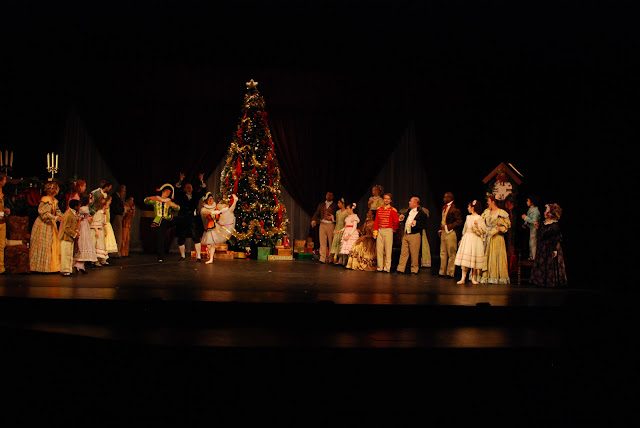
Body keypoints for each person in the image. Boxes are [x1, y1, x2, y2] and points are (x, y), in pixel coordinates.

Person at [530, 203, 567, 288]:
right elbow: (542, 234)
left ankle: (551, 282)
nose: (545, 212)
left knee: (550, 264)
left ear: (551, 213)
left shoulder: (554, 225)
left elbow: (556, 238)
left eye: (546, 211)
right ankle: (540, 281)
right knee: (542, 263)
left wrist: (555, 250)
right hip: (543, 247)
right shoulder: (544, 223)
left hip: (551, 247)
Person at [29, 181, 63, 273]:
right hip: (43, 224)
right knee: (45, 245)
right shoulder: (46, 200)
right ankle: (42, 267)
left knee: (53, 244)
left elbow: (57, 211)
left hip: (51, 224)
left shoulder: (54, 200)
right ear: (54, 190)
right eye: (57, 188)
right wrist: (55, 218)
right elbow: (44, 213)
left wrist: (64, 217)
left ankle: (54, 267)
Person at [174, 172, 207, 261]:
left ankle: (198, 256)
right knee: (181, 237)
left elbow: (203, 191)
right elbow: (176, 190)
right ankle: (182, 256)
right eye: (187, 187)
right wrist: (180, 180)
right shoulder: (181, 195)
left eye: (190, 187)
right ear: (184, 189)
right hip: (183, 218)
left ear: (192, 189)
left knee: (196, 236)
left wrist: (201, 180)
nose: (188, 189)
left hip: (193, 219)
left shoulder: (195, 195)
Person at [144, 183, 180, 262]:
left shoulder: (168, 201)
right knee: (161, 238)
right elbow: (146, 201)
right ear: (163, 192)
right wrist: (150, 198)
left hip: (167, 219)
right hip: (159, 220)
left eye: (169, 193)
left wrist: (173, 205)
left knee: (180, 220)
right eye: (167, 192)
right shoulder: (157, 200)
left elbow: (177, 208)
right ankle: (160, 256)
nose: (168, 194)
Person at [480, 193, 511, 284]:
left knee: (496, 257)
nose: (488, 203)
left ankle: (495, 276)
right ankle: (486, 276)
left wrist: (499, 228)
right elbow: (481, 221)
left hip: (497, 238)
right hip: (487, 237)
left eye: (489, 201)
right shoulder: (486, 212)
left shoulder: (501, 213)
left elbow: (506, 226)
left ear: (493, 202)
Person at [454, 200, 487, 284]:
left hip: (475, 239)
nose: (468, 208)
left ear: (473, 208)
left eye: (469, 207)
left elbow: (483, 231)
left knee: (473, 259)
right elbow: (465, 229)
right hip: (467, 238)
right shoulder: (468, 217)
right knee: (466, 259)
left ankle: (473, 278)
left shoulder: (479, 218)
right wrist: (462, 239)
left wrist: (476, 227)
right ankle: (463, 278)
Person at [201, 193, 237, 264]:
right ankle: (211, 258)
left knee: (228, 212)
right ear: (207, 200)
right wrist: (215, 212)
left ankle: (235, 202)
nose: (211, 200)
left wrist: (230, 203)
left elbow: (226, 208)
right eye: (209, 199)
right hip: (211, 226)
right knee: (212, 243)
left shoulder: (217, 206)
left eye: (212, 198)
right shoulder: (204, 208)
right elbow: (205, 213)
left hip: (218, 225)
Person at [396, 196, 429, 275]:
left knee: (414, 253)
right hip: (406, 234)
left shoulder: (421, 213)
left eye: (410, 201)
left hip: (414, 235)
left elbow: (424, 225)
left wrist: (416, 224)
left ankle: (414, 269)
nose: (409, 202)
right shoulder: (409, 211)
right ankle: (400, 269)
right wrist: (402, 218)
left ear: (415, 203)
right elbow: (407, 221)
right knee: (403, 252)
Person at [438, 191, 463, 279]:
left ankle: (450, 272)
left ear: (449, 198)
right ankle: (442, 271)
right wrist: (441, 229)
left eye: (445, 197)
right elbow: (443, 220)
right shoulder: (444, 207)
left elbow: (459, 221)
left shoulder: (455, 209)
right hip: (444, 232)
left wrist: (448, 227)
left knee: (451, 253)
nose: (444, 199)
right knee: (443, 252)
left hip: (451, 232)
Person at [373, 192, 399, 273]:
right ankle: (379, 267)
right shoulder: (379, 209)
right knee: (379, 249)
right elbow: (376, 221)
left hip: (388, 230)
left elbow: (396, 221)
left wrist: (393, 229)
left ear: (390, 200)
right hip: (380, 230)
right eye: (385, 198)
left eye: (388, 199)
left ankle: (387, 267)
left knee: (388, 249)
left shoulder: (392, 210)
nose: (386, 200)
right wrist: (375, 232)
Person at [310, 191, 337, 264]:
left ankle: (331, 258)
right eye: (328, 195)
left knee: (331, 242)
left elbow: (338, 215)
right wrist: (313, 220)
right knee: (322, 242)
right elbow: (317, 213)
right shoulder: (321, 205)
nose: (329, 196)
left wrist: (332, 217)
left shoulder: (335, 205)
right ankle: (322, 258)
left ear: (333, 196)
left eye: (330, 195)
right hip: (322, 224)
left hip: (331, 224)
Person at [73, 193, 96, 273]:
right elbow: (79, 219)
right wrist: (77, 229)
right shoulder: (84, 209)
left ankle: (79, 265)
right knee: (83, 243)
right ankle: (78, 265)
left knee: (83, 243)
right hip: (83, 226)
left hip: (85, 225)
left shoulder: (84, 208)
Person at [59, 199, 79, 276]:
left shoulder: (72, 213)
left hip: (69, 238)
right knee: (66, 254)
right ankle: (65, 270)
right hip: (66, 237)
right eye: (78, 206)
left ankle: (68, 270)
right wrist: (74, 234)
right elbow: (66, 228)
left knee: (69, 254)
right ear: (75, 206)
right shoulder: (68, 214)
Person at [521, 195, 541, 261]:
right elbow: (530, 218)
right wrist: (525, 223)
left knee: (533, 242)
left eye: (528, 201)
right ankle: (531, 256)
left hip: (534, 229)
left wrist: (526, 218)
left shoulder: (535, 211)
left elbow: (534, 221)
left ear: (532, 202)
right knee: (531, 242)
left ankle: (534, 256)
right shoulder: (530, 210)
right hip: (531, 228)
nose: (527, 202)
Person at [91, 195, 109, 267]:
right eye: (107, 204)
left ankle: (102, 260)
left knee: (102, 245)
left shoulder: (103, 213)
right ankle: (96, 261)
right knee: (97, 245)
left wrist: (105, 231)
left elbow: (103, 223)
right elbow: (95, 222)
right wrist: (96, 231)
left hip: (101, 231)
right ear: (104, 205)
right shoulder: (99, 213)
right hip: (98, 231)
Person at [330, 198, 348, 265]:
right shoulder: (337, 212)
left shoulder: (346, 212)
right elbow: (337, 222)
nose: (338, 204)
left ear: (343, 204)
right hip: (338, 228)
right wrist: (334, 230)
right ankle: (339, 259)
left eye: (339, 203)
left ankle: (344, 259)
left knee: (343, 244)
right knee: (337, 243)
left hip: (343, 229)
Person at [110, 184, 126, 258]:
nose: (124, 193)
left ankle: (117, 251)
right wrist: (123, 209)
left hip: (118, 216)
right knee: (117, 234)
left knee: (119, 234)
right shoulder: (115, 197)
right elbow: (115, 208)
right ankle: (115, 252)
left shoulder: (118, 197)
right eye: (123, 191)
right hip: (116, 217)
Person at [0, 172, 10, 275]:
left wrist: (5, 211)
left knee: (1, 245)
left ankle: (1, 268)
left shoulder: (1, 192)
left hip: (2, 222)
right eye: (4, 180)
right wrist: (3, 212)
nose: (5, 181)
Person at [104, 195, 118, 260]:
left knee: (108, 240)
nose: (111, 201)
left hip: (108, 224)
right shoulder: (104, 208)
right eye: (110, 200)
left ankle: (105, 257)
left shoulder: (108, 207)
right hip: (105, 224)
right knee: (106, 240)